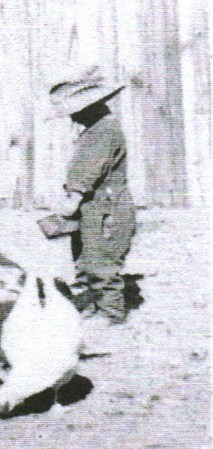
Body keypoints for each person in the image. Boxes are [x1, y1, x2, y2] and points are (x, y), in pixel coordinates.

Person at [44, 65, 136, 323]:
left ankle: (111, 314)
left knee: (101, 263)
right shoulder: (97, 129)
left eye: (74, 112)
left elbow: (89, 170)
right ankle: (94, 306)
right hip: (97, 208)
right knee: (87, 260)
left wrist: (71, 200)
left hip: (106, 209)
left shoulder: (102, 132)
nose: (72, 118)